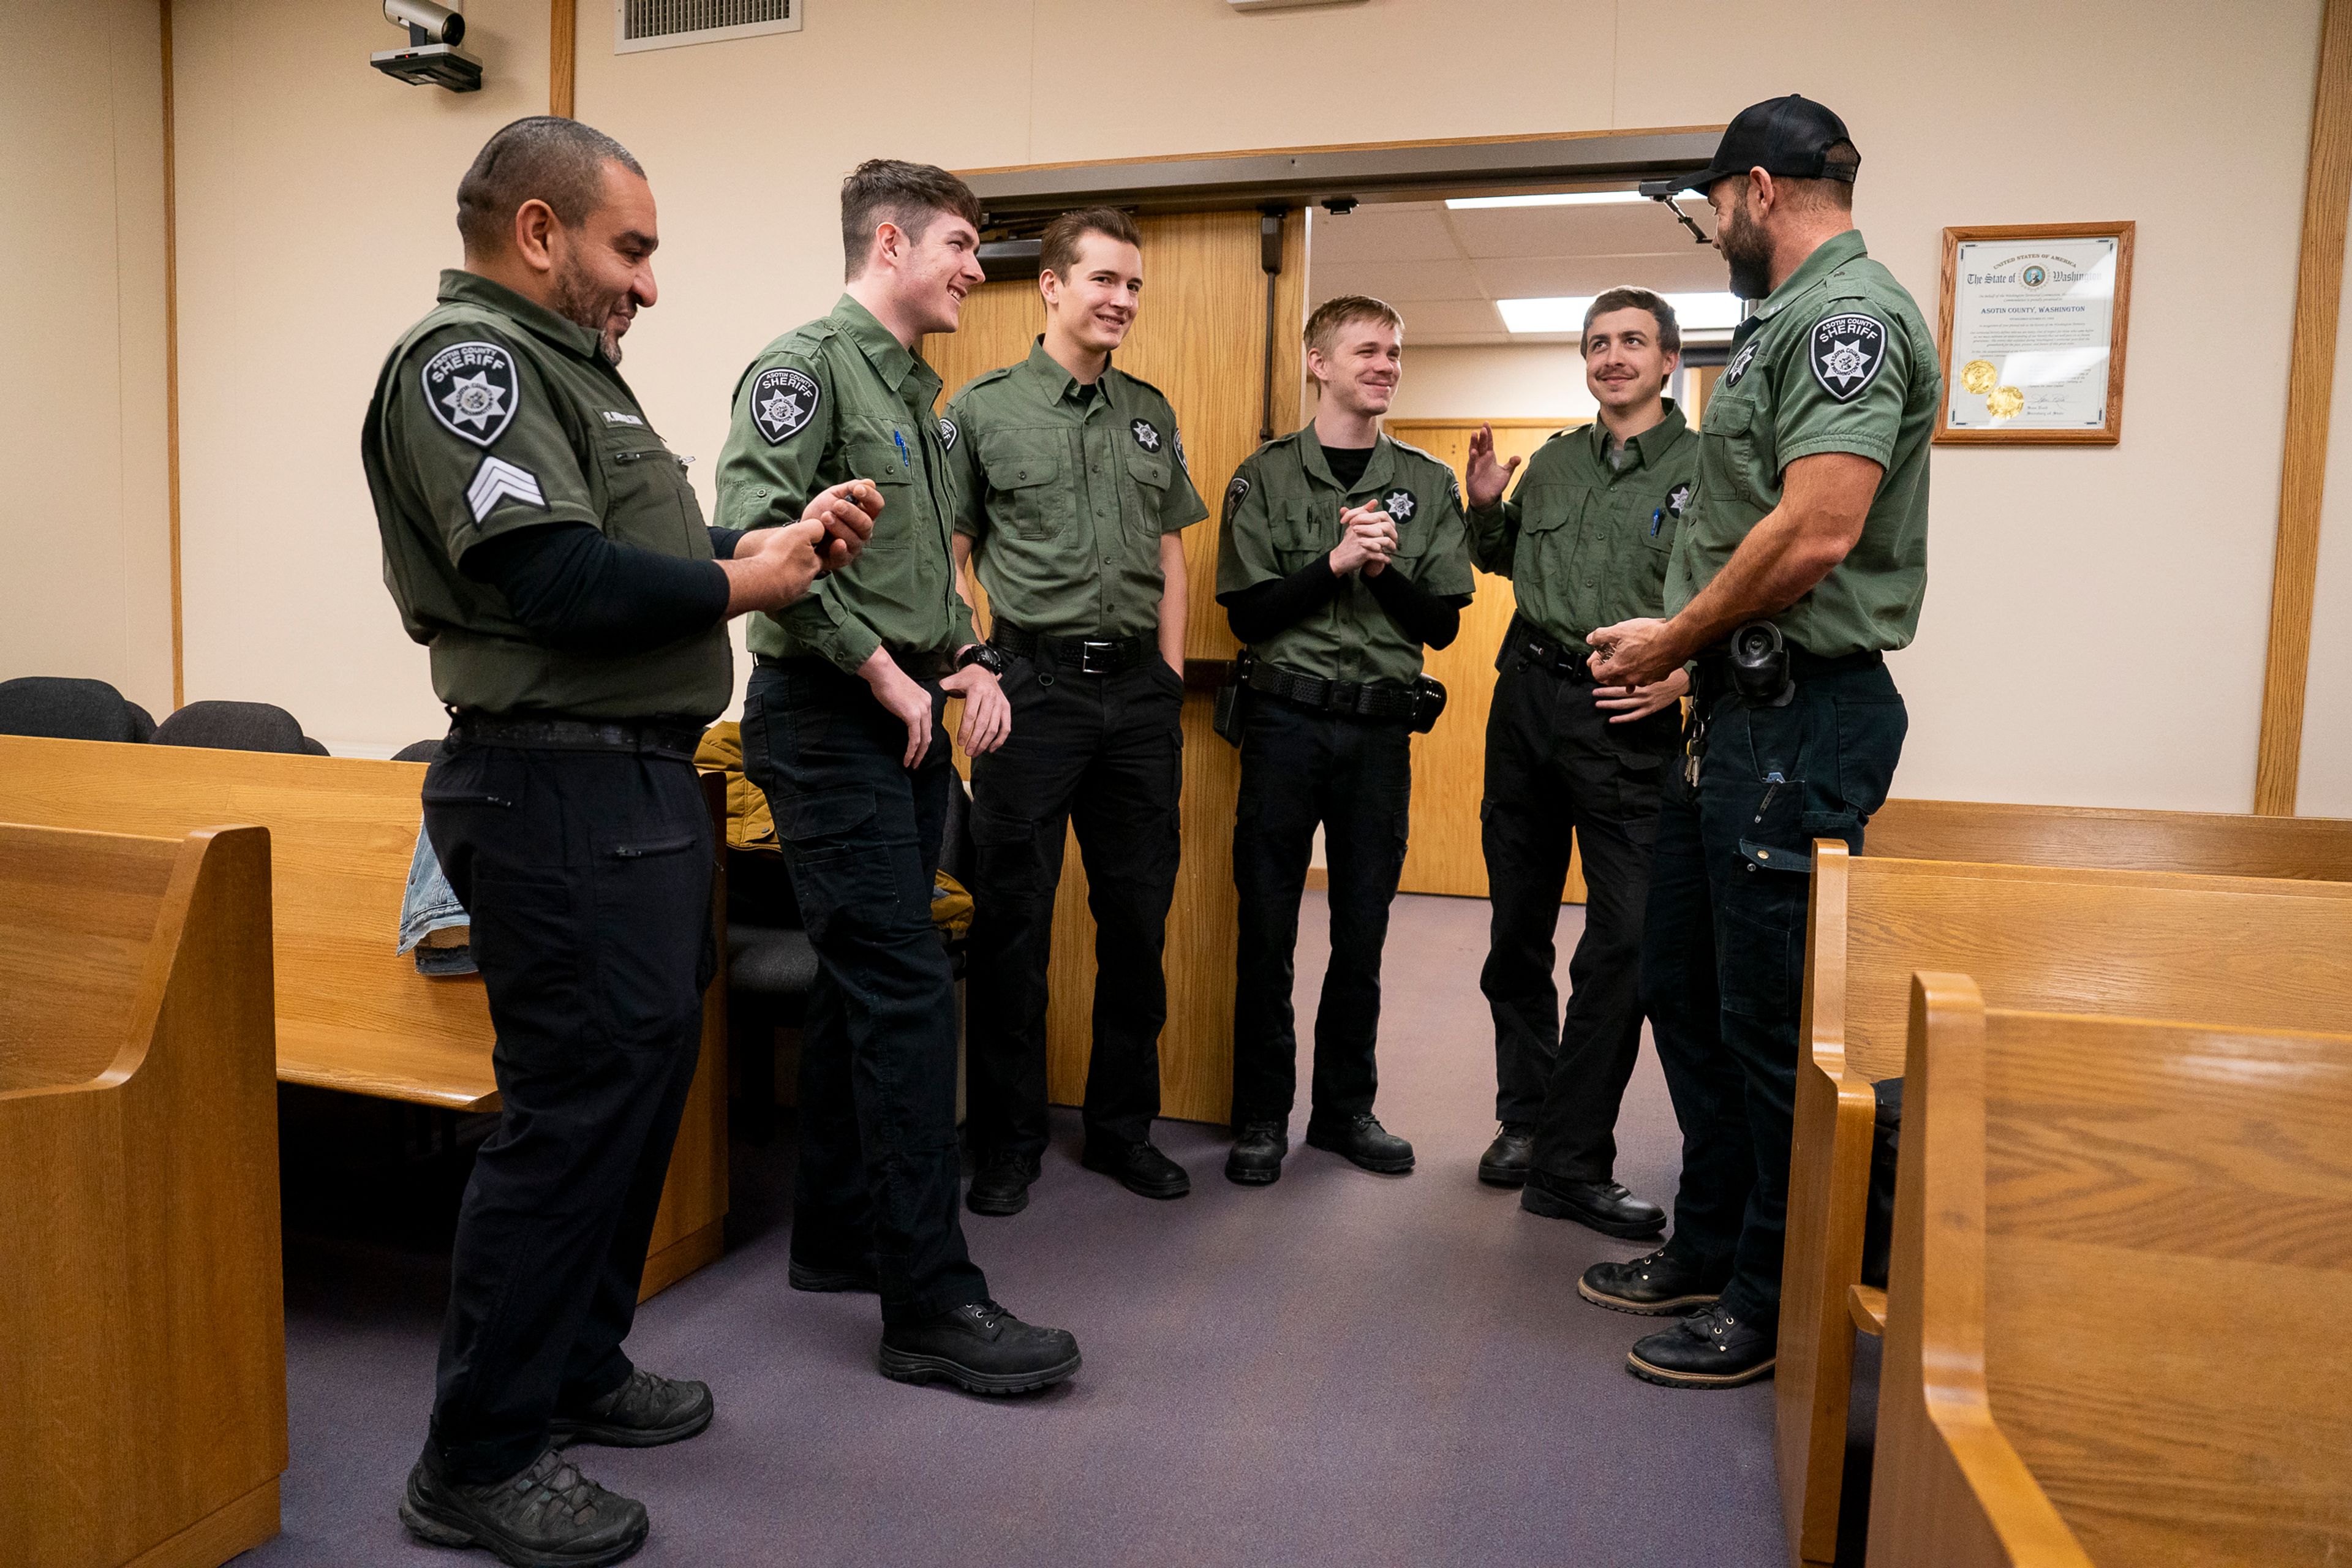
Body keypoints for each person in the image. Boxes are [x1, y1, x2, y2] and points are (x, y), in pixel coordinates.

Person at [364, 116, 876, 1567]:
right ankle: (475, 1454)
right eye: (630, 248)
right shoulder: (469, 365)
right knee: (575, 1110)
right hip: (553, 783)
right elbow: (555, 577)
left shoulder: (579, 381)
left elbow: (645, 560)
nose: (647, 284)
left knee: (638, 1096)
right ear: (540, 230)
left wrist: (766, 556)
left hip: (634, 783)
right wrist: (739, 576)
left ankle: (576, 1364)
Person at [1575, 95, 1938, 1389]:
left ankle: (1774, 1300)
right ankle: (1715, 1238)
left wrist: (1675, 636)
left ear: (1763, 189)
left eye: (1714, 200)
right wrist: (1687, 648)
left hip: (1802, 717)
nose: (1712, 222)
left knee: (1774, 1031)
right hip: (1737, 717)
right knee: (1685, 987)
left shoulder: (1847, 316)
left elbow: (1820, 529)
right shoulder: (1783, 320)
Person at [715, 159, 1082, 1396]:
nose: (981, 270)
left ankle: (836, 1236)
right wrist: (877, 667)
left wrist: (967, 656)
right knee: (910, 990)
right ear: (891, 240)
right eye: (965, 246)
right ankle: (930, 1301)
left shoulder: (924, 401)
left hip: (908, 716)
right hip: (829, 717)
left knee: (857, 988)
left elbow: (920, 571)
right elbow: (764, 542)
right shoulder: (801, 369)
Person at [944, 207, 1209, 1215]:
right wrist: (977, 670)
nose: (1122, 301)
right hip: (1030, 692)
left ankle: (1121, 1129)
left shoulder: (1150, 411)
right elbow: (952, 554)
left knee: (1136, 922)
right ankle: (1008, 1140)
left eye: (1134, 285)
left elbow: (1171, 552)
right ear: (1051, 286)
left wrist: (1167, 677)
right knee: (1013, 924)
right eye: (1104, 280)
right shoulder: (984, 410)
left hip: (1136, 697)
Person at [1214, 295, 1475, 1186]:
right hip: (1284, 724)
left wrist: (1381, 566)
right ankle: (1259, 1118)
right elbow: (1247, 614)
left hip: (1376, 731)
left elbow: (1439, 625)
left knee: (1362, 928)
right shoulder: (1264, 477)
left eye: (1395, 353)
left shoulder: (1431, 483)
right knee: (1268, 926)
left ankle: (1343, 1112)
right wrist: (1331, 566)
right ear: (1318, 362)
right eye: (1367, 350)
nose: (1386, 365)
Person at [1461, 288, 1698, 1236]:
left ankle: (1571, 1152)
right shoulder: (1555, 463)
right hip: (1526, 700)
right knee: (1517, 929)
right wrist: (1484, 511)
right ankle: (1526, 1122)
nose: (1613, 358)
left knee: (1628, 940)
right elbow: (1503, 561)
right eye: (1598, 344)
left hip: (1625, 709)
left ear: (1670, 360)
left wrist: (1690, 675)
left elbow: (1744, 590)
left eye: (1633, 342)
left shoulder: (1710, 466)